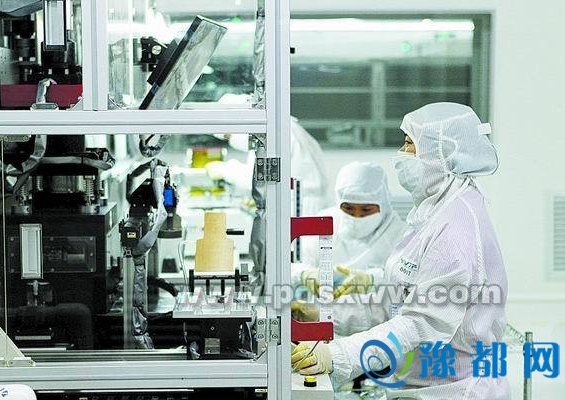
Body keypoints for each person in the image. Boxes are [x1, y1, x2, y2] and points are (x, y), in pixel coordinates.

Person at [291, 103, 509, 400]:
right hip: (420, 384)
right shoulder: (433, 211)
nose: (401, 153)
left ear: (439, 153)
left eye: (409, 144)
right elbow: (396, 305)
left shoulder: (456, 225)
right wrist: (321, 315)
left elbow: (420, 323)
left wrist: (339, 356)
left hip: (455, 390)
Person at [291, 162, 406, 332]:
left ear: (383, 203)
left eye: (366, 209)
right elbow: (292, 266)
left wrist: (372, 279)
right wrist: (305, 274)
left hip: (377, 332)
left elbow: (406, 285)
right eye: (348, 208)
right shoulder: (323, 222)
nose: (357, 216)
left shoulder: (400, 234)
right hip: (317, 325)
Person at [206, 96, 332, 216]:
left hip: (299, 208)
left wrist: (224, 170)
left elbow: (257, 179)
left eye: (229, 135)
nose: (231, 140)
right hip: (305, 204)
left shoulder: (273, 133)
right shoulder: (284, 127)